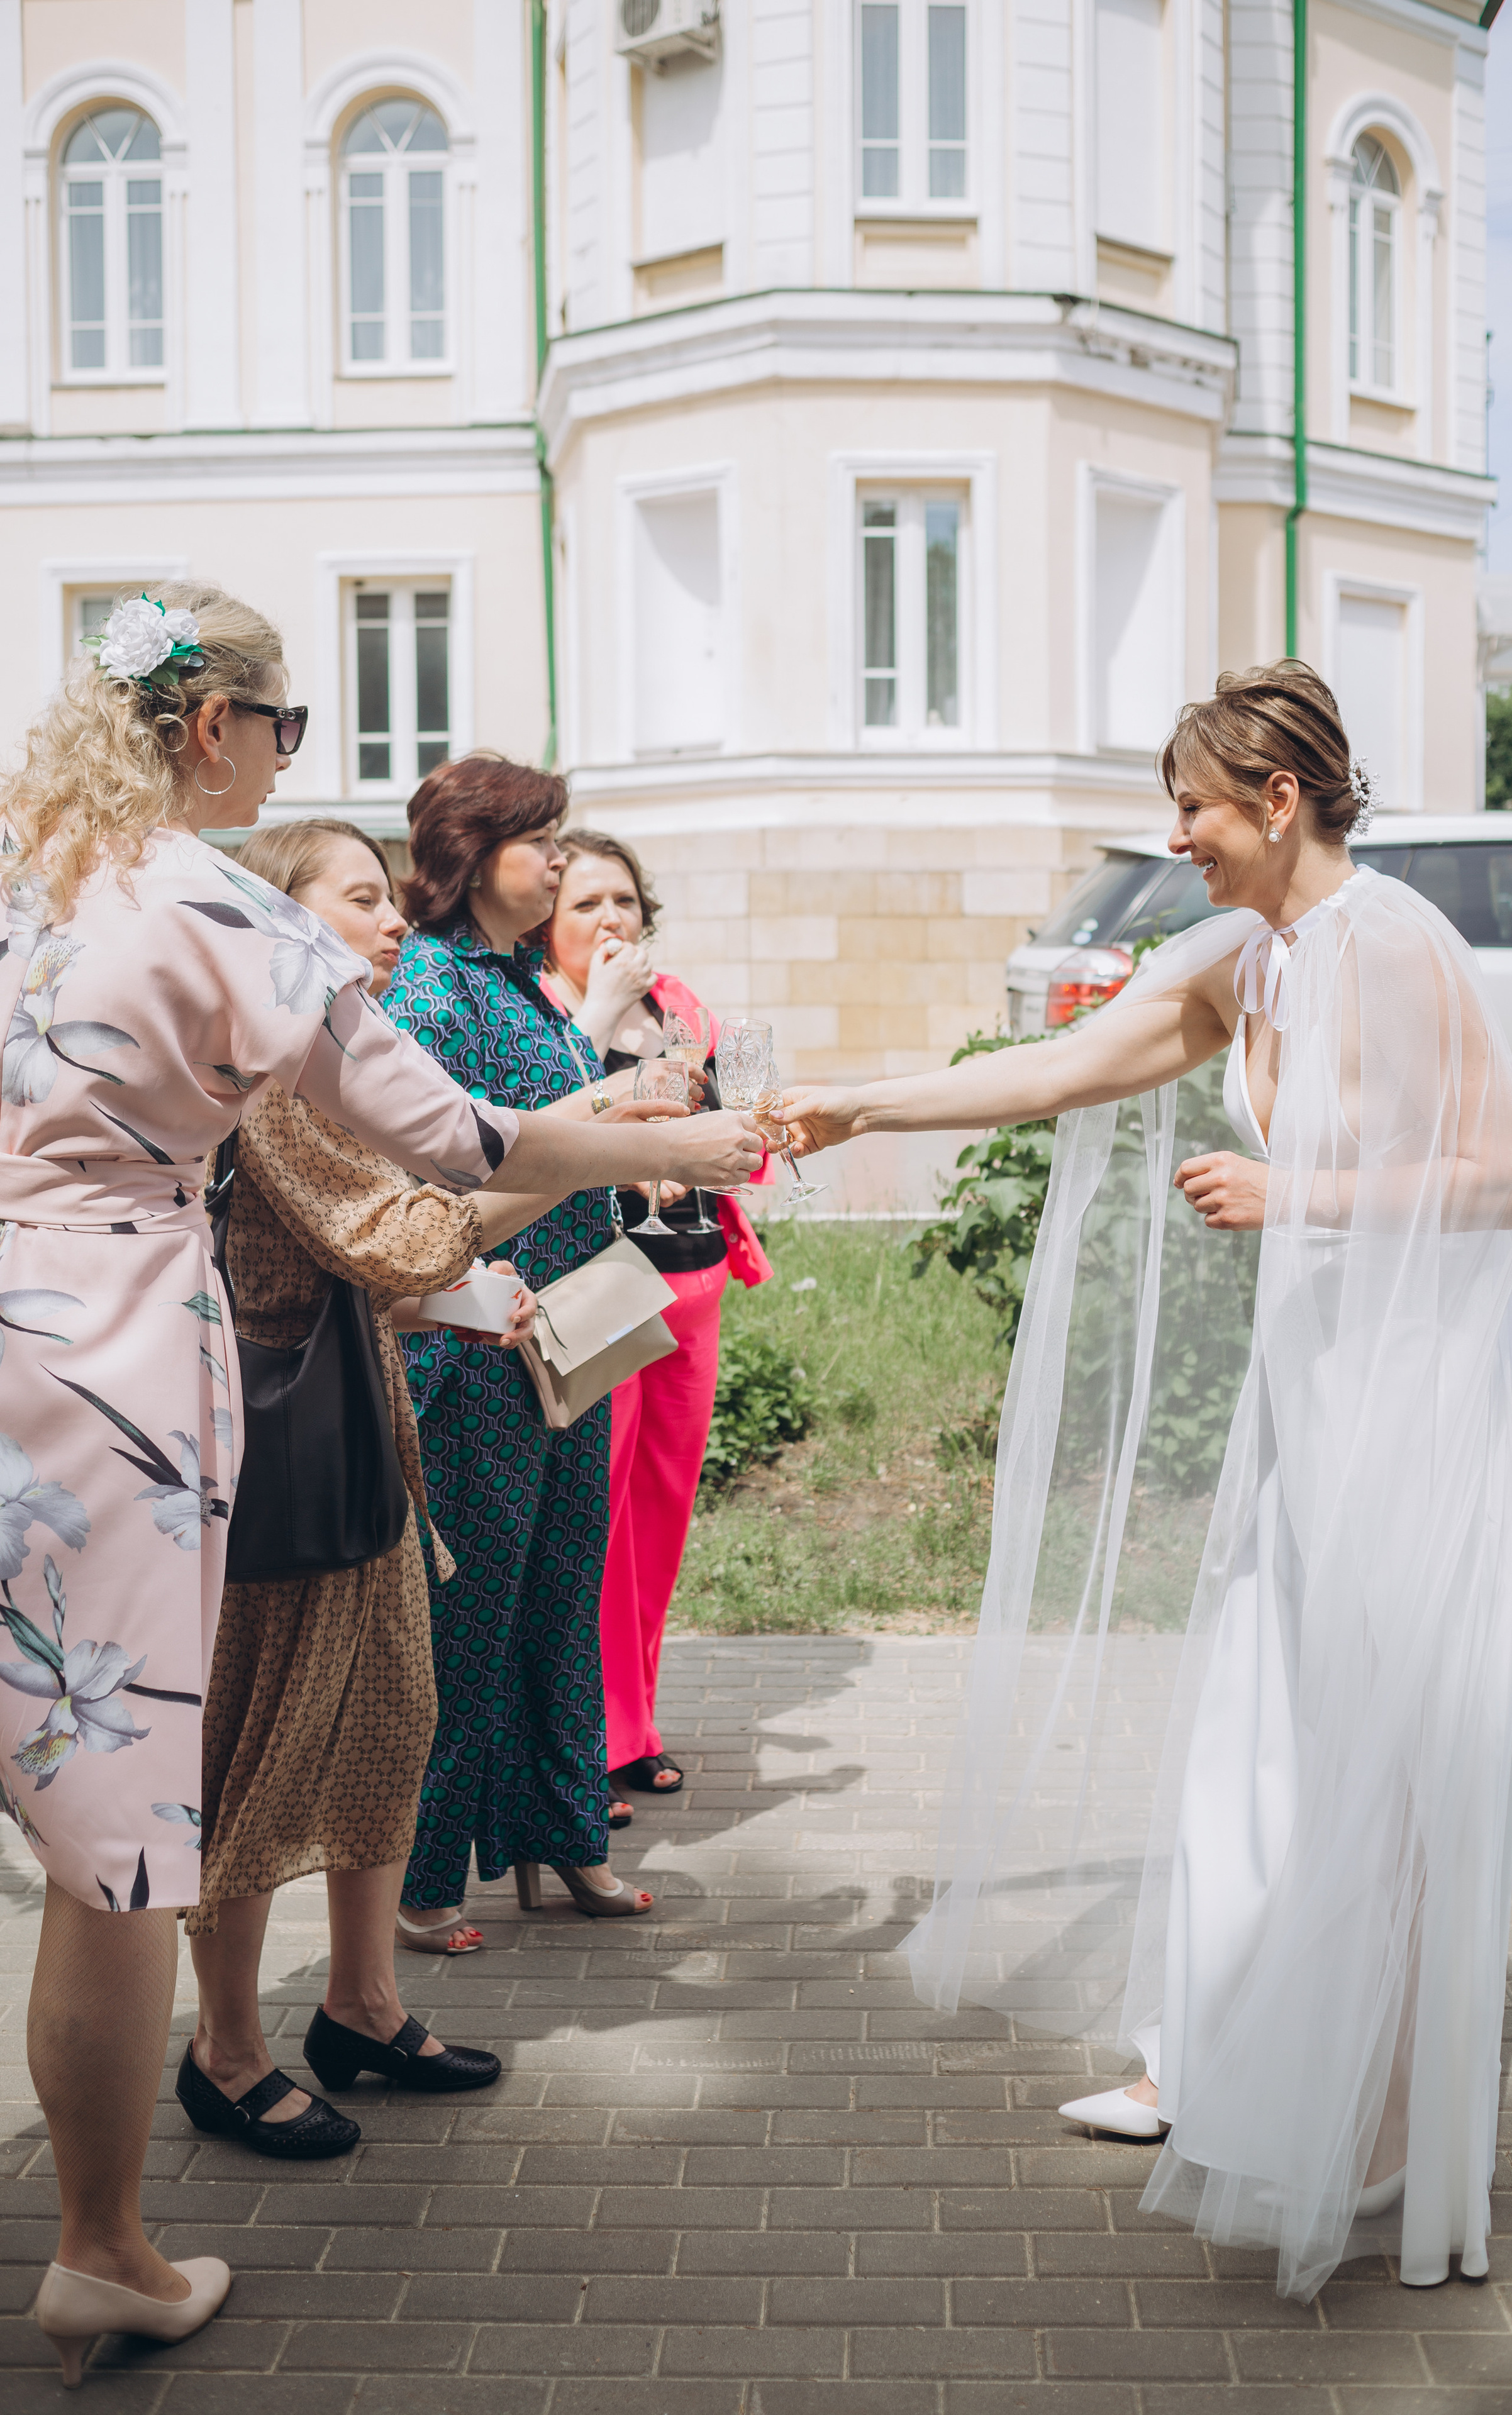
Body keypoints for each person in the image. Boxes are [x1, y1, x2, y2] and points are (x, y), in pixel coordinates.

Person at [0, 590, 762, 2379]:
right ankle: (102, 2244)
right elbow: (453, 1138)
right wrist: (678, 1132)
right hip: (113, 1359)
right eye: (284, 725)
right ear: (212, 729)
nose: (288, 756)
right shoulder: (214, 905)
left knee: (60, 1805)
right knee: (114, 1856)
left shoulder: (42, 887)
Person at [778, 660, 1512, 2301]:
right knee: (1260, 1721)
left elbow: (1505, 1179)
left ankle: (1402, 2108)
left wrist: (1302, 1196)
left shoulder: (1399, 945)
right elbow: (1060, 1069)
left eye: (1195, 805)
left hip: (1418, 1409)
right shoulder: (1239, 955)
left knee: (1381, 1758)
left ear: (1279, 799)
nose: (1176, 835)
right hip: (1315, 1398)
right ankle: (1210, 2049)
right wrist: (865, 1106)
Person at [181, 818, 642, 2156]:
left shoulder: (349, 1064)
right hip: (283, 1452)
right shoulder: (272, 1071)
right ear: (282, 921)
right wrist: (594, 1126)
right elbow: (399, 1229)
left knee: (392, 1714)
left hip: (362, 1425)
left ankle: (362, 2007)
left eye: (391, 899)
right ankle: (225, 2050)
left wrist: (452, 1280)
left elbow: (391, 1251)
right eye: (360, 900)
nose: (393, 923)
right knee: (266, 1752)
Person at [384, 762, 670, 1931]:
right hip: (474, 1341)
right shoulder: (428, 990)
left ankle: (565, 1837)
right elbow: (415, 1177)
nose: (559, 863)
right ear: (470, 851)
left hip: (568, 1329)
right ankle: (421, 1881)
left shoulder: (518, 984)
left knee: (562, 1593)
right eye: (539, 842)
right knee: (473, 1619)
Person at [542, 830, 772, 1814]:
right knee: (594, 1516)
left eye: (625, 901)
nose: (611, 920)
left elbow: (742, 1132)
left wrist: (757, 1127)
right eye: (588, 903)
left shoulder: (681, 1009)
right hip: (601, 1281)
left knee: (660, 1513)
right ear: (548, 921)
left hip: (694, 1273)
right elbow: (535, 1128)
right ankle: (586, 1736)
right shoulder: (546, 1012)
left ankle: (632, 1721)